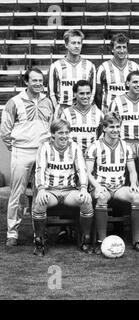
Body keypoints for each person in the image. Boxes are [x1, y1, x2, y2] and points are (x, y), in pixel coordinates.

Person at [0, 68, 54, 247]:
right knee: (17, 193)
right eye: (34, 81)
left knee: (41, 193)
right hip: (22, 151)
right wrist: (15, 146)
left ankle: (38, 233)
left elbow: (51, 126)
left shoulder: (48, 101)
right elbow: (5, 131)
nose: (38, 84)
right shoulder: (14, 102)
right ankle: (12, 233)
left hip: (43, 152)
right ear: (26, 82)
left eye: (41, 80)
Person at [85, 112, 139, 253]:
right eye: (111, 127)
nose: (115, 130)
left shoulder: (125, 146)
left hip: (119, 188)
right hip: (101, 186)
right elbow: (88, 173)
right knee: (101, 197)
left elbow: (132, 171)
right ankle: (102, 241)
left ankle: (137, 241)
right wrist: (97, 186)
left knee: (137, 196)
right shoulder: (94, 146)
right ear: (104, 128)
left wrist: (133, 184)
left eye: (118, 127)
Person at [31, 119, 94, 256]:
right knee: (40, 203)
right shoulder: (45, 147)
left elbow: (82, 170)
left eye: (67, 132)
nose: (64, 136)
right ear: (53, 134)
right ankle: (39, 241)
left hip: (69, 191)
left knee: (86, 201)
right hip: (51, 191)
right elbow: (39, 170)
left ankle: (85, 240)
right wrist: (41, 189)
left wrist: (83, 188)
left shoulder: (75, 147)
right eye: (60, 133)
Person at [109, 70, 139, 160]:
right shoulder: (117, 101)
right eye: (135, 82)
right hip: (124, 143)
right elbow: (110, 126)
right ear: (127, 83)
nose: (138, 85)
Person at [48, 29, 96, 117]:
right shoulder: (56, 66)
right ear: (66, 44)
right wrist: (58, 109)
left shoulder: (90, 66)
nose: (77, 46)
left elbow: (93, 92)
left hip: (83, 111)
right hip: (62, 109)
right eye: (73, 43)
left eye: (79, 43)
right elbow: (51, 94)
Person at [96, 33, 139, 113]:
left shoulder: (136, 68)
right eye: (118, 47)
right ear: (112, 49)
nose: (122, 50)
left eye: (124, 47)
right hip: (109, 114)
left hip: (129, 113)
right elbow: (98, 95)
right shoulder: (102, 68)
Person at [61, 80, 104, 155]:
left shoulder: (99, 113)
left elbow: (102, 136)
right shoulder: (66, 113)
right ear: (75, 94)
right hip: (71, 155)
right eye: (81, 93)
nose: (85, 96)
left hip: (92, 157)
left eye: (88, 93)